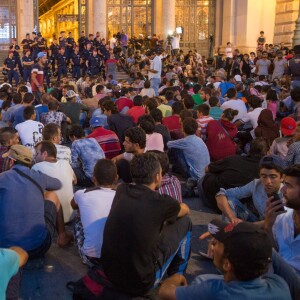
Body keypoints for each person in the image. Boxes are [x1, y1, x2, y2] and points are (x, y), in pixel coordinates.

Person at [101, 152, 191, 296]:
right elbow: (185, 210)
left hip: (109, 274)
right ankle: (177, 279)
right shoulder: (162, 202)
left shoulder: (121, 190)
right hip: (140, 283)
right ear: (157, 176)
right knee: (186, 222)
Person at [158, 219, 291, 300]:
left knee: (200, 280)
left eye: (218, 243)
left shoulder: (214, 291)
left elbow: (165, 292)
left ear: (227, 264)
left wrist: (176, 277)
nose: (213, 245)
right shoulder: (280, 285)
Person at [0, 145, 73, 257]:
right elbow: (58, 183)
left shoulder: (2, 177)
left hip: (5, 248)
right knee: (51, 195)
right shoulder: (38, 176)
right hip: (36, 248)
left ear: (11, 161)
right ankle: (62, 236)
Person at [200, 138, 268, 212]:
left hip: (216, 200)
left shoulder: (234, 159)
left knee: (202, 180)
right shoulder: (263, 172)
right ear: (266, 152)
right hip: (226, 201)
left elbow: (207, 169)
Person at [71, 159, 117, 266]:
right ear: (116, 178)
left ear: (93, 179)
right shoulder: (121, 196)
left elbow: (73, 205)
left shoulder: (81, 193)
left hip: (91, 258)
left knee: (78, 221)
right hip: (115, 258)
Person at [216, 155, 285, 224]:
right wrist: (232, 217)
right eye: (264, 176)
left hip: (275, 229)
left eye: (273, 177)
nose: (268, 182)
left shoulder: (286, 194)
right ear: (259, 175)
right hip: (256, 222)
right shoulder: (256, 184)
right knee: (230, 201)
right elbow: (221, 194)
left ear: (282, 177)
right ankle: (228, 232)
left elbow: (281, 222)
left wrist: (248, 227)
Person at [264, 164, 300, 275]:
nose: (283, 189)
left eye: (288, 185)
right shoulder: (282, 217)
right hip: (275, 276)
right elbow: (274, 251)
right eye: (284, 184)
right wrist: (267, 226)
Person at [32, 141, 76, 223]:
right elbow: (75, 181)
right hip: (71, 216)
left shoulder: (36, 167)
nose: (35, 157)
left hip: (53, 219)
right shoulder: (65, 163)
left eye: (37, 154)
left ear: (44, 154)